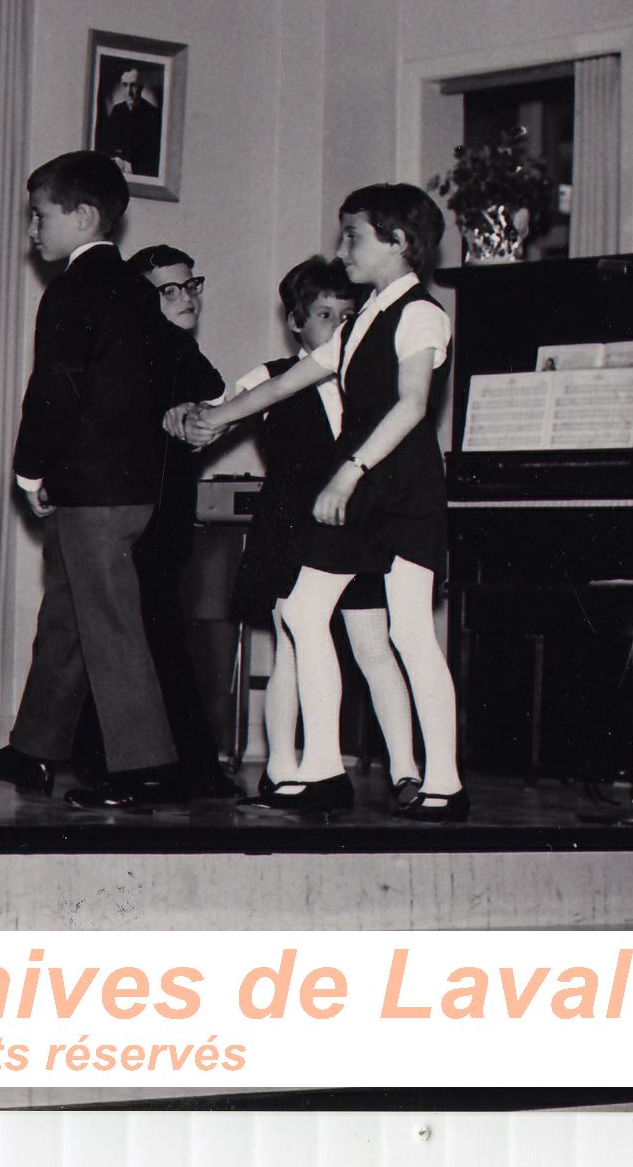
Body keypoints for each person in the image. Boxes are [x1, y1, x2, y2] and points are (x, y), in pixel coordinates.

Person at [186, 184, 464, 821]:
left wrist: (350, 470)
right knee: (306, 613)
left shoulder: (421, 314)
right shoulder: (366, 314)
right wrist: (215, 418)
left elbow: (413, 405)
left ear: (398, 244)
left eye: (354, 238)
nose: (342, 251)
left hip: (399, 488)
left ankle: (443, 780)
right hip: (363, 482)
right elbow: (295, 378)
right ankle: (322, 769)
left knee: (411, 632)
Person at [0, 151, 183, 812]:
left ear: (83, 215)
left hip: (90, 487)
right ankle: (33, 749)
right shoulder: (134, 291)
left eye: (40, 215)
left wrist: (31, 466)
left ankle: (144, 768)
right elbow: (176, 375)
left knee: (107, 623)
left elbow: (52, 393)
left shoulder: (70, 291)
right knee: (67, 614)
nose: (32, 229)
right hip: (128, 484)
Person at [212, 257, 416, 807]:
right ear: (297, 322)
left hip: (352, 525)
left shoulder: (368, 379)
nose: (339, 327)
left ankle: (407, 772)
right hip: (288, 525)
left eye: (349, 316)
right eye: (326, 315)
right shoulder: (271, 375)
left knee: (375, 646)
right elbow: (219, 414)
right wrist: (194, 417)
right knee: (292, 647)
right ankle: (282, 769)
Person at [118, 243, 235, 798]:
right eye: (170, 289)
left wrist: (197, 414)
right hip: (138, 521)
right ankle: (185, 767)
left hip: (162, 523)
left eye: (191, 285)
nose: (187, 297)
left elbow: (216, 400)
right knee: (149, 641)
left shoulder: (175, 350)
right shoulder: (157, 347)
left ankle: (176, 766)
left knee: (153, 640)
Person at [94, 65, 163, 179]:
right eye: (125, 85)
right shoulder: (117, 111)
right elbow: (104, 145)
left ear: (141, 87)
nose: (129, 91)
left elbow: (154, 158)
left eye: (133, 85)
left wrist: (129, 167)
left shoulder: (154, 115)